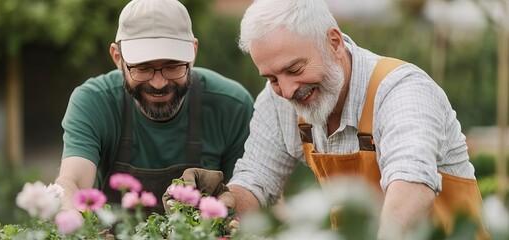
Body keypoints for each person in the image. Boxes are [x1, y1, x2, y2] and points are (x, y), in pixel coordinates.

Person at [170, 0, 489, 239]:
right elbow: (256, 184)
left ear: (334, 43)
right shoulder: (278, 101)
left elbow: (412, 183)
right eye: (271, 78)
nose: (288, 89)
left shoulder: (401, 91)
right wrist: (216, 204)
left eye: (295, 69)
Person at [54, 0, 254, 214]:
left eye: (172, 66)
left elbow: (251, 192)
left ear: (193, 53)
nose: (159, 84)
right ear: (118, 58)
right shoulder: (94, 102)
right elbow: (72, 180)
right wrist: (72, 219)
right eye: (143, 68)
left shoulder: (231, 106)